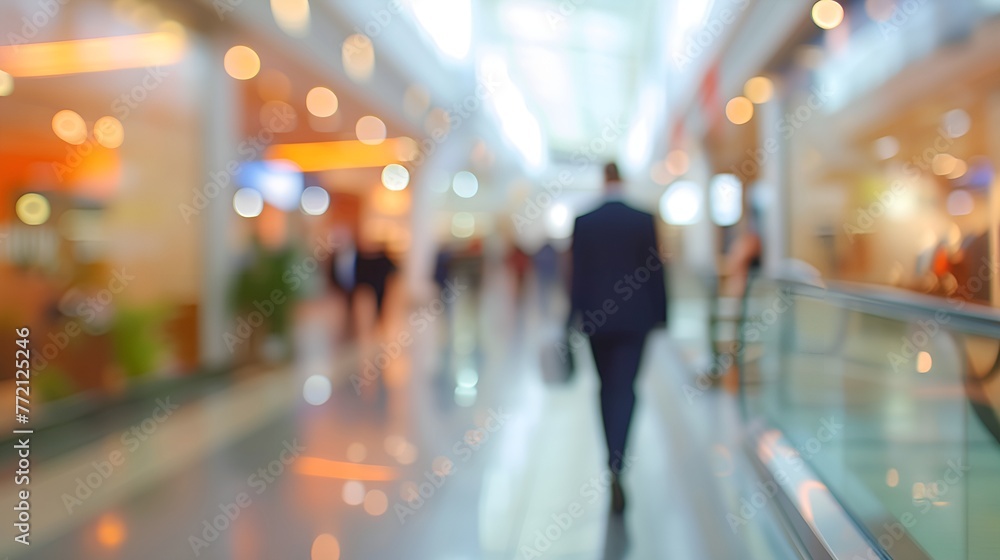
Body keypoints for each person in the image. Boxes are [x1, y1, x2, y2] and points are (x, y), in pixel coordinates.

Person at [570, 162, 667, 513]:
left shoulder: (584, 221)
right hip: (635, 320)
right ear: (622, 179)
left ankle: (610, 460)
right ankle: (618, 462)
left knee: (605, 387)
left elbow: (576, 276)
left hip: (597, 321)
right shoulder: (642, 219)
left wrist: (571, 320)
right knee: (625, 387)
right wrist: (662, 315)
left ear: (602, 179)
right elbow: (655, 270)